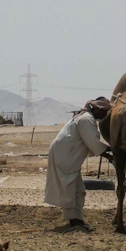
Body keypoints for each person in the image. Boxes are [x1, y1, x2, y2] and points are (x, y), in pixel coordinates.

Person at [44, 98, 112, 231]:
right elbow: (92, 142)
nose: (105, 115)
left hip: (67, 155)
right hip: (65, 156)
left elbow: (92, 143)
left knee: (79, 190)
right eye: (104, 111)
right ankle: (74, 222)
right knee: (69, 188)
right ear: (97, 109)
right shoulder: (86, 119)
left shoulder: (87, 118)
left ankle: (78, 221)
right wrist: (111, 154)